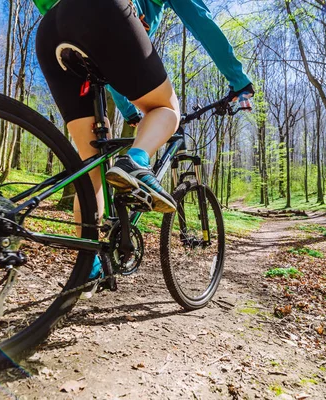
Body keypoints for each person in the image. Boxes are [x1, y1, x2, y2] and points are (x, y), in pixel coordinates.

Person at [34, 0, 253, 291]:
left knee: (92, 168)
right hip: (101, 12)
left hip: (51, 29)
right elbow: (200, 20)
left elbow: (110, 66)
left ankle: (88, 264)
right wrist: (238, 80)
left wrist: (129, 113)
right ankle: (136, 161)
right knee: (167, 110)